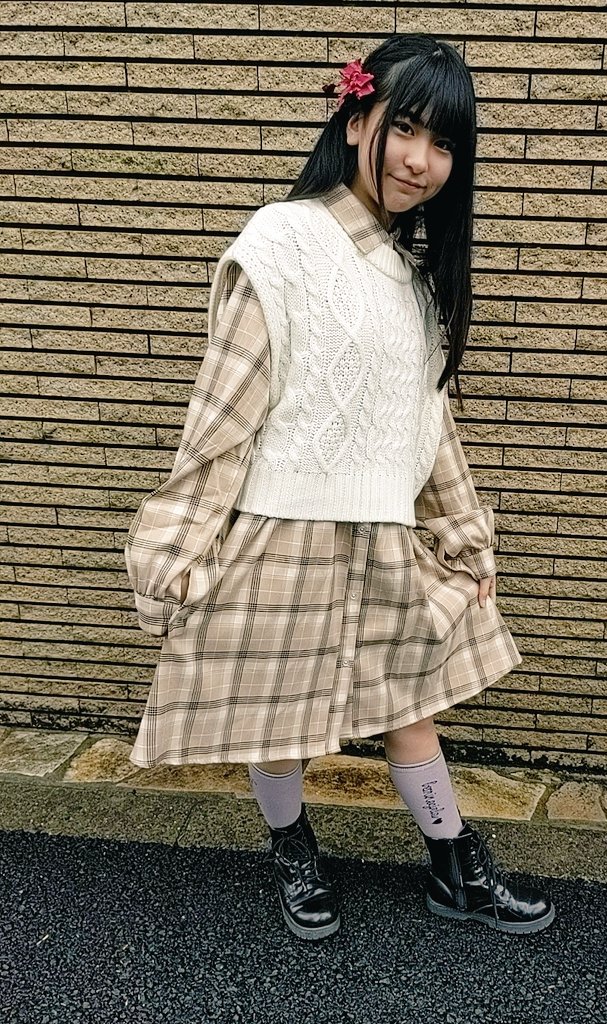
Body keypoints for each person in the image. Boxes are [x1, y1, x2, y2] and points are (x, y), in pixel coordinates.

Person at [124, 33, 555, 941]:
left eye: (444, 144)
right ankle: (294, 850)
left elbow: (428, 429)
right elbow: (223, 415)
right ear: (356, 120)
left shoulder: (414, 281)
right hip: (282, 536)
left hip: (384, 541)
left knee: (411, 711)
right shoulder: (283, 242)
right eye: (407, 129)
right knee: (277, 726)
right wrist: (176, 553)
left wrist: (466, 537)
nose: (421, 160)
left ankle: (455, 867)